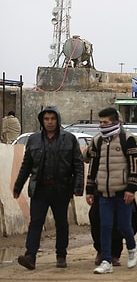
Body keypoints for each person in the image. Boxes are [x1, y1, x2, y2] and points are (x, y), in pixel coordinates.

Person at [13, 106, 84, 270]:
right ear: (42, 121)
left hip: (61, 188)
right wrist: (18, 186)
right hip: (40, 189)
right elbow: (26, 165)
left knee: (61, 223)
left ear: (58, 120)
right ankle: (30, 256)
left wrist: (78, 186)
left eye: (53, 119)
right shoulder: (34, 140)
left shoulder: (69, 139)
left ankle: (61, 255)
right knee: (36, 222)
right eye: (46, 119)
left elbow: (78, 164)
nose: (50, 122)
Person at [86, 107, 137, 274]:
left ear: (115, 122)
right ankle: (106, 261)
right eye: (100, 122)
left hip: (122, 192)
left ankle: (132, 248)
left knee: (124, 225)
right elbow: (93, 166)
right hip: (103, 193)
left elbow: (134, 166)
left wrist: (131, 189)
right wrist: (89, 189)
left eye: (106, 122)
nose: (102, 125)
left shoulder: (128, 139)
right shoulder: (98, 141)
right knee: (105, 226)